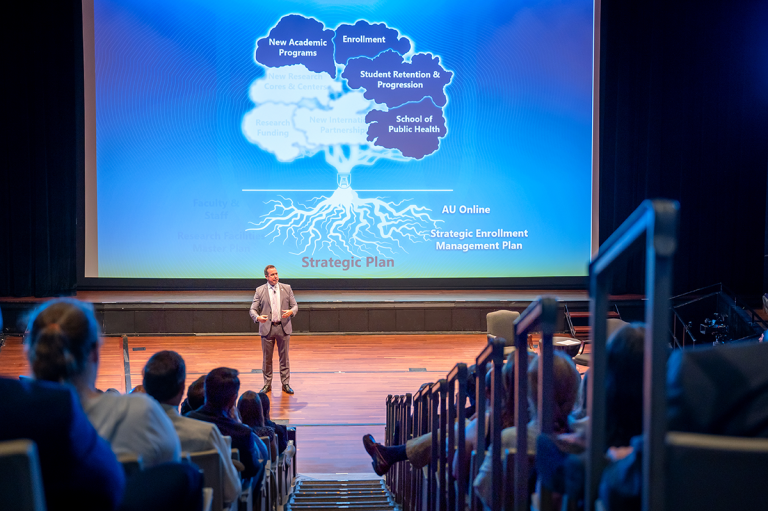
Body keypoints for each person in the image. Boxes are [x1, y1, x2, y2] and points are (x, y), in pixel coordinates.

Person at [25, 298, 181, 467]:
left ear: (32, 356)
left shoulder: (16, 423)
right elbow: (174, 472)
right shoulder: (143, 413)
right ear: (95, 353)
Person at [143, 351, 242, 505]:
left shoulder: (127, 433)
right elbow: (231, 492)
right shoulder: (205, 433)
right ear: (183, 388)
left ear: (146, 387)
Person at [185, 367, 268, 481]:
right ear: (233, 399)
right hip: (234, 494)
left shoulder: (187, 420)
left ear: (207, 391)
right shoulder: (242, 433)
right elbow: (252, 470)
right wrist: (239, 423)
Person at [249, 264, 298, 395]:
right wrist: (258, 317)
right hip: (267, 329)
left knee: (284, 358)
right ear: (266, 276)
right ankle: (267, 384)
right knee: (267, 359)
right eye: (272, 274)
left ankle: (285, 383)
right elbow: (252, 309)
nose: (275, 276)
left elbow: (295, 306)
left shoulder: (286, 288)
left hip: (283, 328)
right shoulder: (260, 290)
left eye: (276, 273)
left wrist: (291, 312)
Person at [238, 391, 278, 461]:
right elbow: (274, 459)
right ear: (259, 410)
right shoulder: (268, 432)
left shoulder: (235, 433)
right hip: (263, 470)